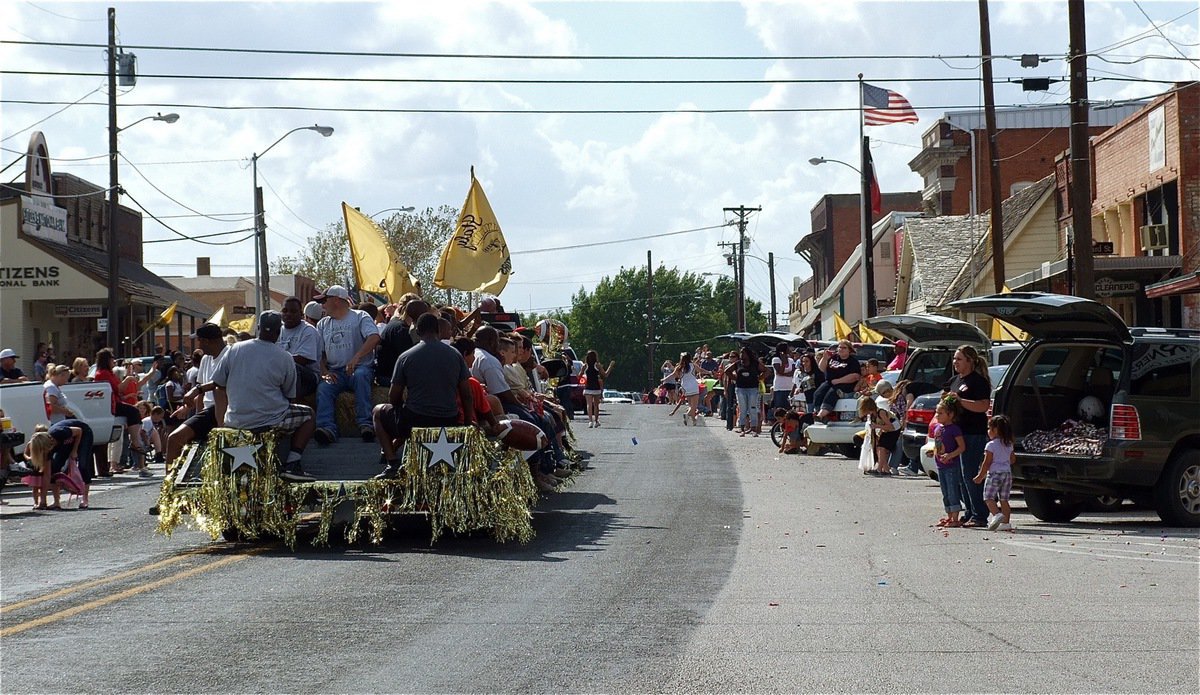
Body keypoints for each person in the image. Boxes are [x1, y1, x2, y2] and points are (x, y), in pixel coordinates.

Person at [211, 311, 317, 482]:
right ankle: (292, 463)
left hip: (235, 420)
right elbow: (291, 395)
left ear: (258, 328)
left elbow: (218, 385)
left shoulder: (233, 349)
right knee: (309, 415)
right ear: (278, 332)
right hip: (270, 420)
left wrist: (222, 422)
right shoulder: (285, 357)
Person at [372, 313, 473, 480]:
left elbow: (393, 395)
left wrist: (399, 408)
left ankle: (392, 462)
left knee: (378, 412)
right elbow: (467, 394)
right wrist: (467, 424)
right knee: (406, 412)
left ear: (417, 331)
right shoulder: (455, 355)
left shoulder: (406, 356)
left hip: (415, 420)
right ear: (438, 331)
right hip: (448, 419)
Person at [313, 285, 381, 444]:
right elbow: (319, 354)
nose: (322, 305)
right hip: (336, 371)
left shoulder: (360, 316)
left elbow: (374, 337)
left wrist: (357, 357)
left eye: (324, 301)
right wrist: (324, 372)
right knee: (324, 387)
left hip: (361, 367)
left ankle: (366, 424)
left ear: (336, 300)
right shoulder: (322, 324)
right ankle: (326, 428)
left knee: (361, 376)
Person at [165, 323, 226, 472]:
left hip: (222, 409)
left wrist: (195, 392)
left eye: (199, 340)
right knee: (175, 440)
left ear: (207, 341)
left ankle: (169, 487)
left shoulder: (230, 355)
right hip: (206, 411)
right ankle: (171, 482)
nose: (198, 346)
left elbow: (217, 384)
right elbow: (201, 392)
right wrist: (187, 408)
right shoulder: (205, 359)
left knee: (174, 439)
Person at [945, 344, 992, 528]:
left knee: (970, 473)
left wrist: (960, 401)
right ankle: (969, 512)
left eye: (959, 359)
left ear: (970, 361)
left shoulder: (978, 381)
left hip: (973, 432)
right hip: (957, 433)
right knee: (959, 476)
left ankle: (980, 514)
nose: (955, 362)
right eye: (955, 359)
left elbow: (983, 406)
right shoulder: (955, 380)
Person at [93, 349, 146, 475]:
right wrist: (128, 380)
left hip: (116, 401)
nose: (114, 361)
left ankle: (135, 440)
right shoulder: (102, 374)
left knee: (134, 410)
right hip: (110, 406)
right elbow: (117, 389)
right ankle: (135, 440)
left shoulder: (109, 373)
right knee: (133, 411)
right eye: (112, 358)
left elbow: (119, 392)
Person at [974, 414, 1016, 532]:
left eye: (989, 428)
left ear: (995, 430)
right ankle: (1006, 523)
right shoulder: (1009, 444)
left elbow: (987, 463)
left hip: (994, 474)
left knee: (988, 497)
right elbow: (1013, 459)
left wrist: (980, 476)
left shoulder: (991, 445)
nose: (988, 431)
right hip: (1007, 473)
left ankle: (996, 514)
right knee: (1004, 499)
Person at [278, 296, 322, 399]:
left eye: (293, 311)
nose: (288, 314)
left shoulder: (308, 331)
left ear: (301, 315)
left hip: (307, 377)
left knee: (293, 367)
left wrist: (275, 361)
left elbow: (303, 360)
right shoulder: (277, 330)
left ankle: (292, 404)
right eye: (285, 311)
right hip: (281, 372)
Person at [375, 298, 425, 388]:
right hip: (390, 378)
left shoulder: (396, 324)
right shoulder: (401, 330)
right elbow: (409, 362)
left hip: (387, 375)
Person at [933, 397, 966, 528]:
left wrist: (950, 455)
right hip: (940, 465)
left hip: (951, 465)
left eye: (940, 413)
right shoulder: (937, 428)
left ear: (950, 414)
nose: (937, 415)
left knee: (952, 491)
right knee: (945, 492)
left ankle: (955, 518)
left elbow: (962, 447)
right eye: (936, 412)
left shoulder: (954, 429)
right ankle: (949, 516)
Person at [812, 340, 861, 422]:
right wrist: (824, 358)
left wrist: (838, 381)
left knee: (832, 393)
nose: (841, 349)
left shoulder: (853, 361)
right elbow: (821, 369)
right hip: (830, 382)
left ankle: (821, 415)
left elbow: (855, 376)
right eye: (839, 347)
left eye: (844, 348)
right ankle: (820, 414)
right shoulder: (833, 358)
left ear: (849, 350)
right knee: (818, 393)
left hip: (845, 385)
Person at [859, 394, 900, 476]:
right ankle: (886, 469)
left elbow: (890, 426)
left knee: (882, 448)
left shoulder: (881, 412)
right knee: (879, 447)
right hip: (885, 430)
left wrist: (877, 426)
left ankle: (879, 469)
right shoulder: (872, 416)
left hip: (894, 430)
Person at [728, 347, 764, 437]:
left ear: (748, 354)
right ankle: (742, 428)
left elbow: (767, 371)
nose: (741, 355)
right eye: (740, 353)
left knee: (753, 408)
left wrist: (758, 379)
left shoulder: (755, 364)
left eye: (743, 353)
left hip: (753, 388)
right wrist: (736, 379)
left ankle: (754, 428)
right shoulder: (738, 364)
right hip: (740, 388)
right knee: (742, 408)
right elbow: (727, 371)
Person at [582, 350, 615, 428]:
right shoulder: (597, 365)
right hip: (596, 387)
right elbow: (605, 375)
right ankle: (596, 421)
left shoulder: (585, 366)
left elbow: (579, 375)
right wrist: (610, 366)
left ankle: (590, 421)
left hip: (588, 387)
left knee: (589, 405)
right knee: (596, 405)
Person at [667, 353, 701, 425]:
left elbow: (672, 375)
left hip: (685, 387)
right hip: (693, 386)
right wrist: (709, 372)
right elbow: (701, 370)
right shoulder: (693, 365)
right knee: (694, 406)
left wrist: (665, 379)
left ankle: (694, 420)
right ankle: (687, 415)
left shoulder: (679, 367)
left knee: (690, 405)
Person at [768, 344, 795, 423]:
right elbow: (779, 372)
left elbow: (793, 372)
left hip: (790, 387)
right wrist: (783, 362)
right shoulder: (776, 359)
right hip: (780, 388)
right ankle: (780, 426)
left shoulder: (791, 360)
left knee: (789, 408)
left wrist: (784, 374)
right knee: (780, 409)